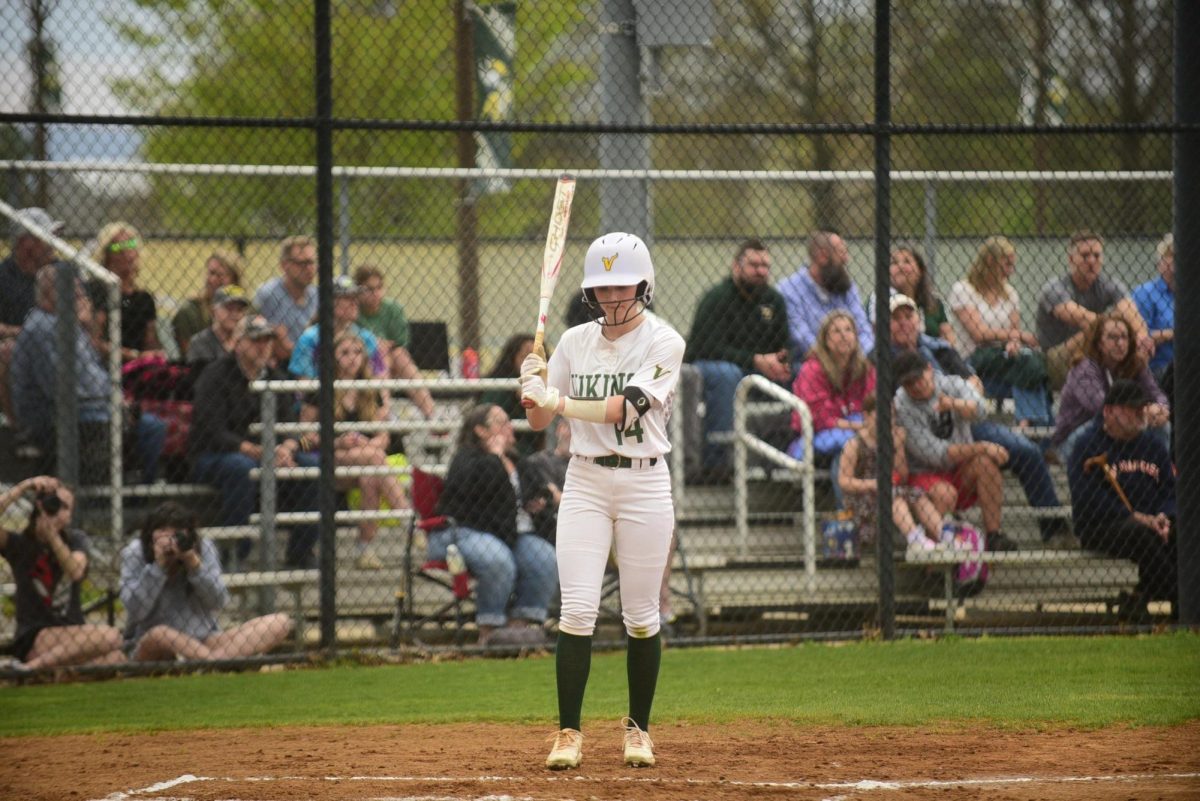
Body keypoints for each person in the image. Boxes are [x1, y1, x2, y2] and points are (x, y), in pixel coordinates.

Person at [522, 231, 685, 770]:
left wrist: (558, 398)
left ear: (644, 285)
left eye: (623, 287)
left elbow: (627, 408)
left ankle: (638, 729)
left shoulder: (665, 341)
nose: (613, 298)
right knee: (577, 609)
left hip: (644, 482)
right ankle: (568, 732)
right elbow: (540, 419)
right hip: (587, 480)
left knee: (640, 614)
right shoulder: (572, 341)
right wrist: (531, 384)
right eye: (603, 288)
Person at [883, 293, 1069, 546]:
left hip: (964, 424)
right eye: (896, 319)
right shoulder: (880, 358)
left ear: (919, 319)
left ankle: (1052, 526)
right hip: (920, 431)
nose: (904, 323)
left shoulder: (939, 349)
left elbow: (973, 385)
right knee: (978, 458)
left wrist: (960, 403)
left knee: (1026, 450)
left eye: (909, 316)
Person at [11, 266, 167, 484]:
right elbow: (59, 388)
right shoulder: (42, 327)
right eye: (75, 293)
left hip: (91, 406)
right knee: (110, 421)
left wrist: (116, 400)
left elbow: (95, 373)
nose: (82, 298)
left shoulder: (70, 325)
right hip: (53, 414)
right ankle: (101, 497)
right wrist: (110, 404)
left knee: (153, 427)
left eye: (81, 293)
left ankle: (138, 495)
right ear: (50, 294)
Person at [188, 315, 320, 569]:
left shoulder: (276, 377)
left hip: (266, 453)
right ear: (238, 343)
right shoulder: (215, 375)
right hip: (216, 455)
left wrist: (286, 448)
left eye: (268, 340)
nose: (263, 346)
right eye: (255, 340)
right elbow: (212, 430)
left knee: (311, 467)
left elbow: (292, 427)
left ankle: (300, 554)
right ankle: (235, 554)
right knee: (241, 468)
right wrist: (258, 451)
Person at [431, 403, 558, 646]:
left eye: (509, 422)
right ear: (480, 430)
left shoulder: (515, 460)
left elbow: (537, 488)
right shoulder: (467, 459)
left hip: (509, 535)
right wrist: (494, 457)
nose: (509, 428)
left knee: (545, 559)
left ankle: (517, 630)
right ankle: (488, 631)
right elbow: (479, 488)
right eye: (501, 423)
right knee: (498, 560)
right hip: (464, 531)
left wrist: (539, 500)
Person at [120, 501, 293, 660]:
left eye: (176, 532)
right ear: (150, 534)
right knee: (160, 634)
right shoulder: (136, 552)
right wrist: (158, 568)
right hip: (153, 642)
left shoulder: (203, 548)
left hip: (204, 641)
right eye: (163, 531)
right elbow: (136, 611)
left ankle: (210, 662)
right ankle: (221, 662)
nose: (169, 539)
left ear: (188, 534)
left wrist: (193, 564)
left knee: (279, 622)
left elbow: (218, 601)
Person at [298, 331, 410, 570]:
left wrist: (365, 446)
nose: (352, 358)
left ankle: (365, 550)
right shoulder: (320, 390)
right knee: (376, 460)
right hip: (329, 460)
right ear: (333, 358)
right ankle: (409, 519)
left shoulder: (370, 390)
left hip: (362, 460)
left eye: (358, 352)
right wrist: (336, 442)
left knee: (371, 474)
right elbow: (304, 438)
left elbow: (383, 436)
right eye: (345, 353)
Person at [1067, 380, 1177, 622]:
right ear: (1108, 411)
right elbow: (1087, 499)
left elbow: (1170, 490)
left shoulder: (1153, 445)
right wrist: (1132, 516)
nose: (1139, 412)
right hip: (1102, 527)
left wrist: (1164, 516)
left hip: (1151, 523)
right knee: (1141, 534)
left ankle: (1143, 599)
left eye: (1141, 406)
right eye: (1129, 407)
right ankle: (1182, 603)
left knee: (1179, 533)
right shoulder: (1087, 445)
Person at [684, 239, 791, 483]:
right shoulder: (716, 298)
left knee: (800, 374)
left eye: (765, 266)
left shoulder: (774, 301)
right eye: (754, 265)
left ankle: (783, 461)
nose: (761, 271)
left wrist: (781, 362)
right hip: (713, 367)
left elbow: (784, 344)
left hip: (760, 370)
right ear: (736, 266)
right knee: (727, 374)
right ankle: (717, 465)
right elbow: (704, 348)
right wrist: (755, 360)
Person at [893, 351, 1017, 552]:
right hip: (926, 473)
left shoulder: (951, 384)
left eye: (919, 378)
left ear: (930, 370)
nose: (915, 386)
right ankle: (935, 560)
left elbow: (981, 410)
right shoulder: (902, 404)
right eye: (908, 383)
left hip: (960, 467)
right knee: (945, 493)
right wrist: (983, 446)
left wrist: (953, 404)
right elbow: (935, 454)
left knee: (985, 464)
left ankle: (994, 536)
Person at [0, 477, 126, 671]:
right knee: (112, 637)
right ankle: (32, 668)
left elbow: (75, 571)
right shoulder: (20, 544)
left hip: (74, 632)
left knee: (116, 658)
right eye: (55, 505)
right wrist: (23, 487)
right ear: (40, 505)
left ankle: (39, 671)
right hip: (37, 635)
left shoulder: (75, 540)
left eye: (67, 508)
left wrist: (53, 537)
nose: (60, 513)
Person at [948, 236, 1052, 427]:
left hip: (1004, 357)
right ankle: (1034, 423)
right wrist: (1017, 336)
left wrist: (1014, 343)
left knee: (1031, 360)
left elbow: (1013, 332)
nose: (1010, 271)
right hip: (973, 357)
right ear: (990, 261)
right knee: (1029, 364)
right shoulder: (964, 289)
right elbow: (979, 334)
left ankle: (1030, 423)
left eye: (1013, 265)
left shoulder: (1010, 294)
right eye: (1006, 265)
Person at [1035, 230, 1150, 389]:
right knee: (1098, 328)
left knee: (1121, 330)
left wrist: (1142, 338)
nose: (1091, 261)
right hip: (1054, 360)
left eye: (1096, 256)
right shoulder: (1055, 289)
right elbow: (1081, 318)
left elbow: (1132, 315)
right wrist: (1116, 321)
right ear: (1071, 259)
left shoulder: (1108, 284)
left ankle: (1133, 396)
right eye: (1085, 255)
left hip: (1095, 351)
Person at [1052, 313, 1169, 462]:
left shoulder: (1135, 363)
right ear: (1099, 343)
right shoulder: (1084, 368)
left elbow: (1157, 394)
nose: (1120, 343)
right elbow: (1102, 408)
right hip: (1078, 436)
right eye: (1113, 337)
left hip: (1124, 427)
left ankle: (1158, 472)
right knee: (1110, 422)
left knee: (1161, 425)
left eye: (1124, 337)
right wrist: (1144, 412)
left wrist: (1160, 408)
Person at [838, 394, 946, 555]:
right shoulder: (854, 444)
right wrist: (873, 484)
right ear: (867, 416)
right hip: (862, 499)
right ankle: (915, 540)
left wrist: (898, 448)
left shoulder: (891, 441)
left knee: (917, 495)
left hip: (889, 492)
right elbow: (844, 481)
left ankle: (945, 535)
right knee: (893, 495)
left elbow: (902, 476)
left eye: (891, 416)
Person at [789, 310, 876, 508]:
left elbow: (873, 406)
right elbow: (819, 418)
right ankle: (846, 514)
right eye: (836, 331)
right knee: (848, 449)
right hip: (818, 434)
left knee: (854, 450)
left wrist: (863, 426)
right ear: (826, 340)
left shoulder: (865, 368)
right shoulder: (812, 369)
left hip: (857, 431)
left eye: (848, 330)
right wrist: (860, 427)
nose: (844, 335)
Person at [0, 208, 63, 429]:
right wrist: (23, 333)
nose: (53, 243)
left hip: (56, 342)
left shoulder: (61, 270)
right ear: (25, 242)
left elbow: (83, 314)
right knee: (6, 350)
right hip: (17, 348)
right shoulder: (3, 275)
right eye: (45, 237)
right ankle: (17, 428)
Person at [778, 230, 874, 364]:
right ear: (823, 256)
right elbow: (804, 341)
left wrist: (855, 360)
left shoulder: (846, 287)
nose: (847, 259)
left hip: (854, 363)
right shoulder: (788, 290)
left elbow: (865, 332)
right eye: (841, 252)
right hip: (810, 366)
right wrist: (839, 360)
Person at [354, 264, 436, 420]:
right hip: (363, 365)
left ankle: (430, 413)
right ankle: (386, 411)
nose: (376, 293)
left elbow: (400, 343)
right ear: (358, 291)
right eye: (369, 289)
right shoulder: (353, 310)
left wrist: (379, 345)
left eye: (379, 288)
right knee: (382, 353)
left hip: (395, 365)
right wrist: (378, 345)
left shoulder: (393, 308)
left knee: (397, 354)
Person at [87, 221, 165, 362]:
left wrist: (156, 354)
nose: (126, 252)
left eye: (131, 245)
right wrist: (134, 356)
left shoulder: (143, 298)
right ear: (107, 254)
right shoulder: (98, 289)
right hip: (105, 367)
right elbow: (94, 342)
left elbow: (151, 342)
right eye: (118, 246)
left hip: (139, 368)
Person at [288, 275, 387, 378]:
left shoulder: (366, 337)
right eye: (347, 298)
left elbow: (379, 377)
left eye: (355, 297)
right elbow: (304, 384)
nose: (355, 303)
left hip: (358, 393)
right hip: (319, 393)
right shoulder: (310, 338)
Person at [866, 245, 955, 345]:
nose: (900, 266)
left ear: (920, 271)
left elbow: (949, 338)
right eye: (894, 263)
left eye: (907, 262)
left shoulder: (935, 301)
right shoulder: (880, 298)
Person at [254, 235, 318, 363]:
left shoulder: (317, 295)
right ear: (284, 265)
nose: (309, 269)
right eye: (302, 263)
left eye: (312, 262)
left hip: (311, 363)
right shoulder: (268, 294)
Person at [171, 249, 243, 359]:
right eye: (211, 273)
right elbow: (190, 357)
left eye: (220, 275)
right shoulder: (189, 312)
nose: (212, 279)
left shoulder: (246, 310)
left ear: (234, 281)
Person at [479, 333, 543, 458]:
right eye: (526, 356)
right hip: (511, 446)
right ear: (513, 358)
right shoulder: (501, 385)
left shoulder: (549, 383)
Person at [1131, 233, 1174, 383]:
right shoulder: (1145, 293)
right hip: (1159, 368)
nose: (1172, 262)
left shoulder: (1191, 294)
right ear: (1159, 263)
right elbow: (1139, 335)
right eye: (1168, 256)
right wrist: (1172, 334)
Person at [184, 284, 251, 366]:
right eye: (229, 308)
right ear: (213, 310)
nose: (235, 314)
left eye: (240, 310)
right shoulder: (200, 342)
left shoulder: (249, 340)